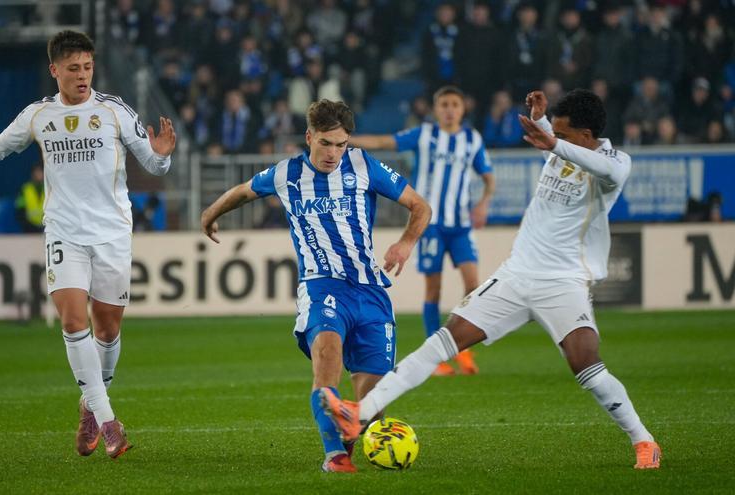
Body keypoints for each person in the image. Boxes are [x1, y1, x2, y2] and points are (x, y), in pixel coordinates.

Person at [320, 89, 663, 470]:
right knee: (441, 343)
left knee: (586, 365)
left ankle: (644, 440)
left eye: (564, 137)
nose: (556, 143)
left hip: (563, 282)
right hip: (516, 275)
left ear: (586, 135)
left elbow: (603, 166)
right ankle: (360, 413)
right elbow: (555, 140)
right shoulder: (563, 145)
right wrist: (542, 119)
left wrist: (554, 141)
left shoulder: (616, 164)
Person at [0, 30, 177, 459]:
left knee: (107, 328)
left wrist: (162, 154)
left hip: (111, 236)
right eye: (73, 69)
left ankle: (90, 404)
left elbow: (154, 163)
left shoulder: (113, 111)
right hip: (64, 233)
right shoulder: (37, 115)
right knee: (72, 322)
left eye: (87, 67)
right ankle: (109, 423)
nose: (83, 75)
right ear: (55, 71)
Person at [200, 99, 430, 473]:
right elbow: (242, 191)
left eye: (341, 144)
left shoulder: (363, 165)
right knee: (327, 362)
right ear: (309, 137)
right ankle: (334, 455)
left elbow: (420, 206)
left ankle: (352, 442)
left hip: (370, 291)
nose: (334, 153)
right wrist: (209, 214)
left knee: (371, 404)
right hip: (322, 287)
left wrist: (405, 243)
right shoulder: (285, 174)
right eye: (326, 143)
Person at [348, 86, 495, 376]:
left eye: (454, 104)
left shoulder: (471, 139)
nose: (449, 109)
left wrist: (483, 204)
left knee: (473, 287)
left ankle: (461, 349)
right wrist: (346, 140)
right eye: (444, 104)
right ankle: (435, 357)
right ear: (435, 109)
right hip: (431, 226)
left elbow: (488, 177)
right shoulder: (424, 134)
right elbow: (383, 141)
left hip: (461, 225)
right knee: (434, 288)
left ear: (462, 109)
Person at [15, 162, 45, 233]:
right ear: (32, 173)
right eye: (36, 171)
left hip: (47, 228)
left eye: (40, 171)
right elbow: (20, 210)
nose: (38, 174)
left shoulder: (50, 188)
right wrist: (26, 225)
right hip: (29, 229)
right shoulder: (25, 189)